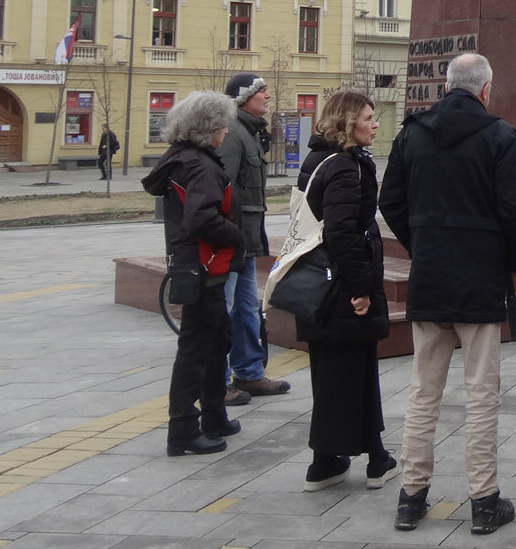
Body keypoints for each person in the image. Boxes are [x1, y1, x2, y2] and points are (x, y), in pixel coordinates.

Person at [378, 53, 516, 536]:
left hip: (431, 275)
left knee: (424, 392)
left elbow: (391, 201)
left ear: (446, 87)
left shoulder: (411, 133)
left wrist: (421, 242)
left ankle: (411, 496)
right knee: (481, 394)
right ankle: (484, 501)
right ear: (485, 90)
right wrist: (504, 258)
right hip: (480, 278)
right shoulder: (500, 136)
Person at [291, 90, 396, 493]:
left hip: (319, 287)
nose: (375, 124)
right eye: (369, 117)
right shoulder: (343, 167)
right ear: (349, 122)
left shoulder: (319, 158)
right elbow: (342, 232)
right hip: (339, 288)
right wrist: (361, 288)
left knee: (334, 374)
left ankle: (328, 462)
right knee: (357, 370)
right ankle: (373, 458)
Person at [141, 92, 245, 456]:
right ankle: (182, 428)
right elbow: (201, 218)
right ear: (207, 128)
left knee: (216, 342)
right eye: (221, 124)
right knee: (196, 348)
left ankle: (213, 414)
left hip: (196, 265)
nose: (226, 130)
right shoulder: (200, 166)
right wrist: (237, 234)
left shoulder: (185, 158)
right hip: (203, 266)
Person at [218, 73, 289, 403]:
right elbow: (221, 187)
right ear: (244, 97)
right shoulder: (232, 133)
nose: (268, 96)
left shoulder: (247, 131)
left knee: (247, 308)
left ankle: (248, 374)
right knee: (226, 309)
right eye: (262, 91)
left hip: (245, 239)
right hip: (231, 238)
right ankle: (218, 384)